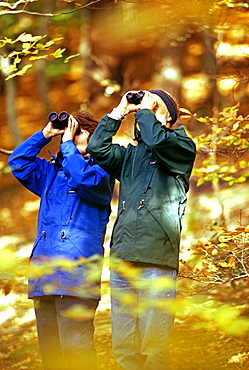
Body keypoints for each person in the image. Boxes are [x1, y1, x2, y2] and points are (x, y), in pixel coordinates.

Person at [87, 89, 196, 369]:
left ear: (168, 116)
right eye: (144, 105)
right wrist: (119, 111)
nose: (144, 108)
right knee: (124, 347)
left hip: (156, 256)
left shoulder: (181, 146)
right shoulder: (130, 156)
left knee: (153, 345)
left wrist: (148, 110)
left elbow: (158, 140)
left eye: (153, 104)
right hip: (123, 256)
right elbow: (97, 147)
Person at [8, 111, 115, 370]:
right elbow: (19, 162)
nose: (73, 134)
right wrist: (46, 134)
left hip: (76, 273)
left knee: (76, 352)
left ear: (95, 136)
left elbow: (82, 180)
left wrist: (68, 146)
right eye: (70, 130)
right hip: (44, 273)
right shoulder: (50, 173)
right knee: (52, 354)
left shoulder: (101, 171)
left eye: (79, 130)